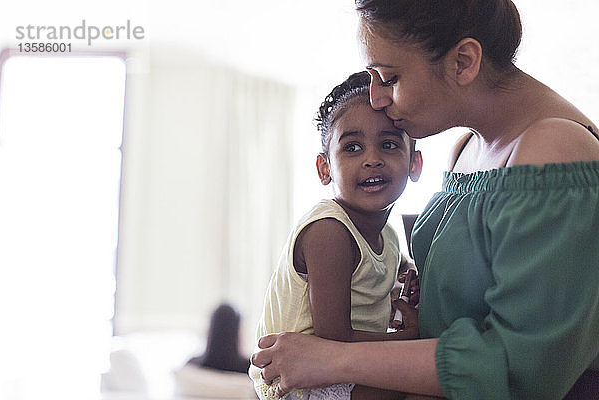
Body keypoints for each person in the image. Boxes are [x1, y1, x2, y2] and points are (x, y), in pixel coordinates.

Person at [251, 1, 599, 399]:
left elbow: (522, 366)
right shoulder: (465, 150)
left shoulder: (554, 148)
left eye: (389, 77)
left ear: (463, 62)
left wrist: (333, 359)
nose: (377, 99)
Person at [248, 71, 423, 400]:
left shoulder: (387, 233)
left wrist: (407, 271)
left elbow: (380, 269)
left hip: (339, 367)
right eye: (353, 147)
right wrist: (410, 340)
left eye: (388, 144)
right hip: (304, 379)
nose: (372, 160)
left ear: (414, 163)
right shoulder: (329, 231)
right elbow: (334, 341)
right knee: (421, 388)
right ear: (324, 169)